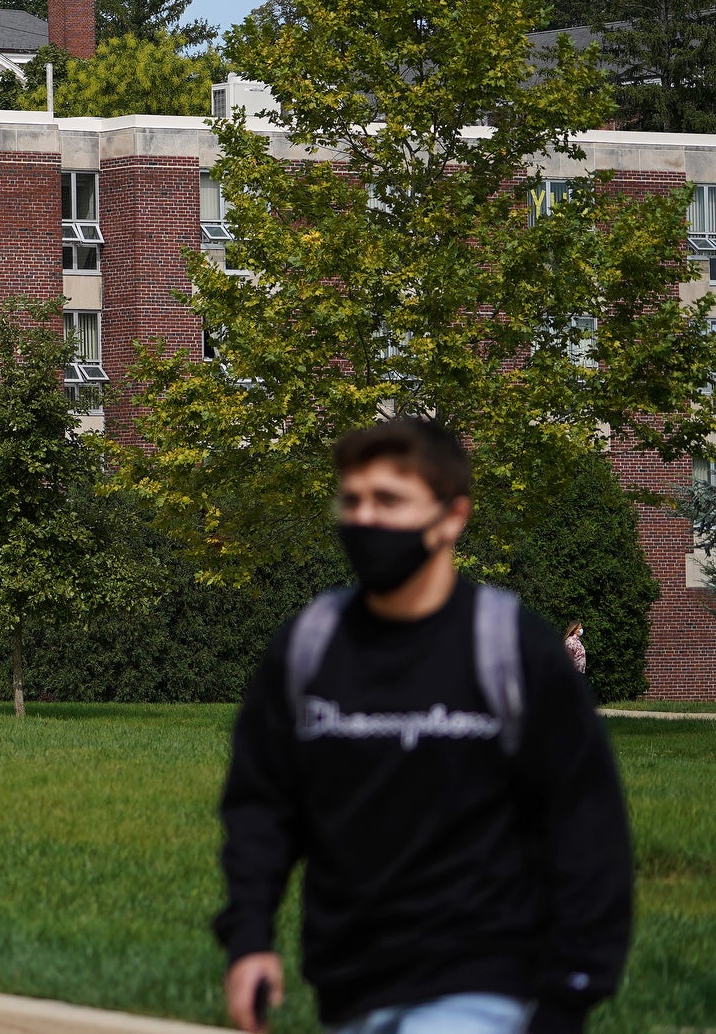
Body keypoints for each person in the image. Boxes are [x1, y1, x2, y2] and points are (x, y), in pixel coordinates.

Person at [216, 419, 631, 1034]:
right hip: (350, 983)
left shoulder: (511, 647)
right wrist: (249, 938)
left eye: (389, 501)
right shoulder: (310, 644)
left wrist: (572, 991)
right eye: (352, 500)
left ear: (451, 517)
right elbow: (262, 805)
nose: (365, 519)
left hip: (485, 981)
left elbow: (585, 822)